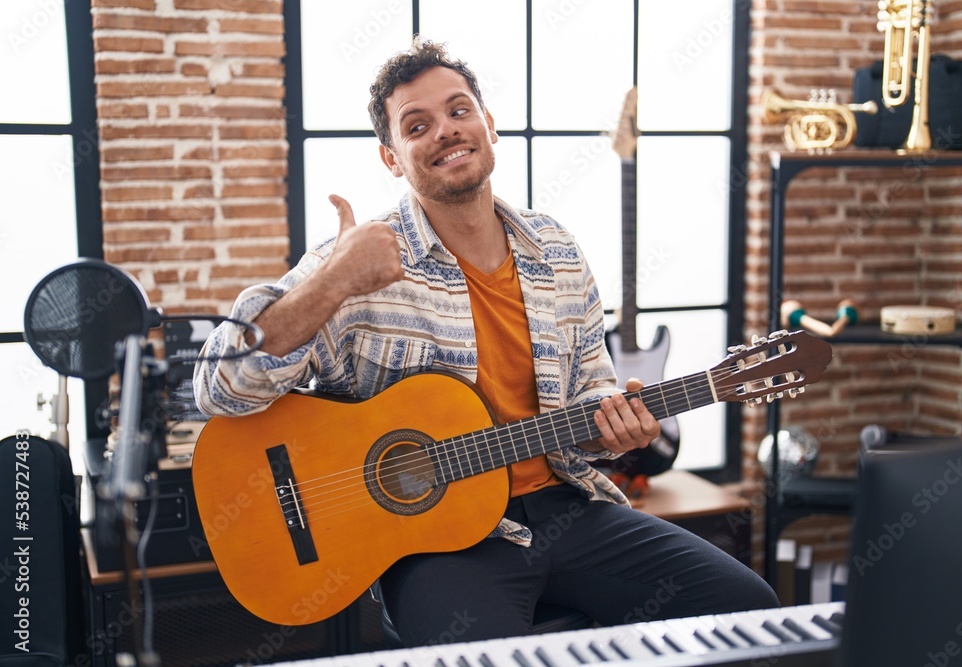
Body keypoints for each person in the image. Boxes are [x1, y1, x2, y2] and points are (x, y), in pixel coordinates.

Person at [194, 37, 778, 647]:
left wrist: (617, 431)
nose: (445, 130)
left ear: (488, 124)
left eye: (458, 110)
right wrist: (335, 280)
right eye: (417, 125)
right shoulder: (354, 264)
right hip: (443, 545)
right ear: (392, 158)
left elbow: (593, 388)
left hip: (570, 510)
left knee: (749, 617)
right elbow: (218, 388)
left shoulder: (556, 250)